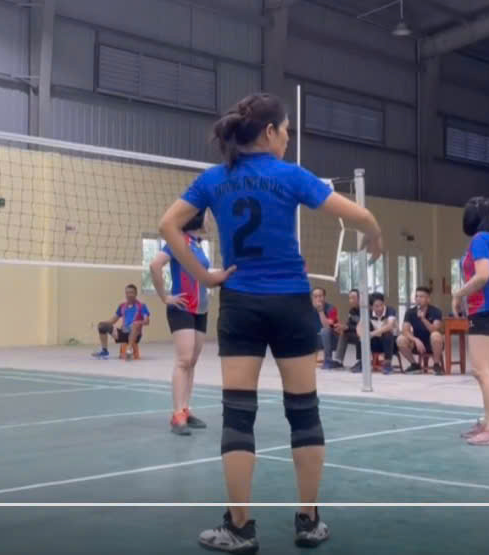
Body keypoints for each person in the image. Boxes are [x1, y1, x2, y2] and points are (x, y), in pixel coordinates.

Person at [159, 92, 382, 552]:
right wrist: (375, 233)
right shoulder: (291, 175)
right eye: (286, 131)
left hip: (240, 303)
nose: (287, 139)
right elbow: (360, 216)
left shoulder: (214, 179)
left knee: (238, 414)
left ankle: (240, 529)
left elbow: (168, 225)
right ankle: (308, 521)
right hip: (291, 304)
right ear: (269, 132)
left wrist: (205, 276)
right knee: (304, 412)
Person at [451, 197, 489, 446]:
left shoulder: (481, 240)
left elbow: (482, 276)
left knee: (481, 370)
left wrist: (458, 294)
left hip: (483, 308)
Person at [149, 211, 210, 436]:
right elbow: (155, 265)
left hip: (201, 309)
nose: (209, 219)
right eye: (207, 215)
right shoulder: (178, 242)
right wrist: (165, 297)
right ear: (197, 218)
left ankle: (185, 409)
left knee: (192, 362)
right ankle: (177, 415)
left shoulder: (197, 244)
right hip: (182, 308)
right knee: (184, 360)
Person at [397, 286, 444, 375]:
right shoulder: (410, 312)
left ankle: (436, 364)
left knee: (436, 335)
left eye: (421, 296)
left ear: (428, 299)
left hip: (433, 342)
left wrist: (423, 319)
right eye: (416, 296)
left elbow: (435, 329)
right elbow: (405, 330)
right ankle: (414, 365)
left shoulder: (436, 311)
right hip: (417, 343)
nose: (418, 299)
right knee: (400, 339)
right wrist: (415, 340)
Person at [96, 285, 151, 361]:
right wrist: (102, 323)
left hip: (135, 334)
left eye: (131, 292)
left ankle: (129, 350)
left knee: (135, 324)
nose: (129, 295)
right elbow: (113, 321)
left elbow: (147, 321)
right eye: (127, 293)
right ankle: (104, 351)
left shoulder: (142, 306)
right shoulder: (122, 306)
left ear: (136, 293)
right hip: (124, 332)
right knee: (102, 326)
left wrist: (138, 323)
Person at [325, 289, 361, 370]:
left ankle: (360, 361)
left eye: (353, 298)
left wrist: (348, 327)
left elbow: (366, 326)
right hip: (356, 333)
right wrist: (342, 327)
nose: (351, 300)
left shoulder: (366, 310)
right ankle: (339, 361)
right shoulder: (352, 311)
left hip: (367, 334)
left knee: (360, 335)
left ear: (360, 298)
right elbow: (349, 324)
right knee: (344, 333)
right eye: (350, 298)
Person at [311, 287, 339, 367]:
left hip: (331, 339)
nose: (318, 299)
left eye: (320, 296)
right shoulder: (308, 308)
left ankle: (328, 360)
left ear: (324, 297)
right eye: (315, 296)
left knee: (324, 331)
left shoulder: (331, 309)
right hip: (315, 338)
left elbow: (327, 327)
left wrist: (320, 311)